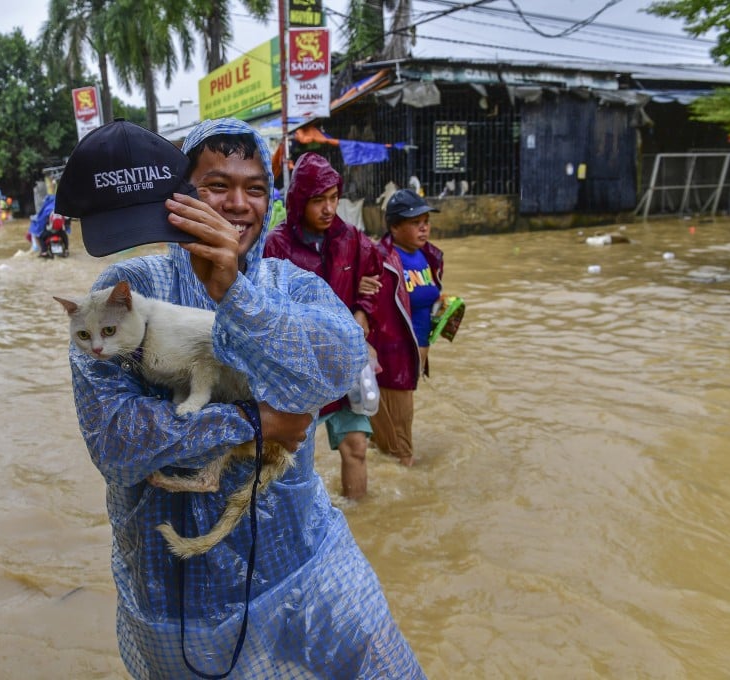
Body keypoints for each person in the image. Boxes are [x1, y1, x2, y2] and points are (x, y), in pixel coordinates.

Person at [61, 119, 423, 678]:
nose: (237, 204)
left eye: (254, 188)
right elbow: (115, 439)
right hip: (179, 599)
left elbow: (339, 367)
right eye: (215, 186)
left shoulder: (290, 284)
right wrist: (253, 423)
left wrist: (237, 295)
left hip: (308, 562)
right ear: (179, 197)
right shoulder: (124, 290)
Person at [263, 152, 383, 500]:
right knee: (291, 457)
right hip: (299, 368)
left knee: (356, 446)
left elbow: (373, 276)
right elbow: (268, 308)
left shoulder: (351, 239)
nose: (329, 209)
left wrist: (362, 311)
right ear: (300, 201)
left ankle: (359, 520)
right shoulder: (277, 244)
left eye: (333, 198)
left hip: (345, 364)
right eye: (319, 200)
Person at [367, 189, 445, 467]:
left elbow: (424, 300)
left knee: (384, 435)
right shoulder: (379, 259)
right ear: (394, 227)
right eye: (415, 222)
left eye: (426, 221)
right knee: (402, 448)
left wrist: (443, 306)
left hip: (415, 355)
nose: (424, 227)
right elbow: (361, 303)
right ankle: (406, 497)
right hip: (392, 360)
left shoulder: (430, 256)